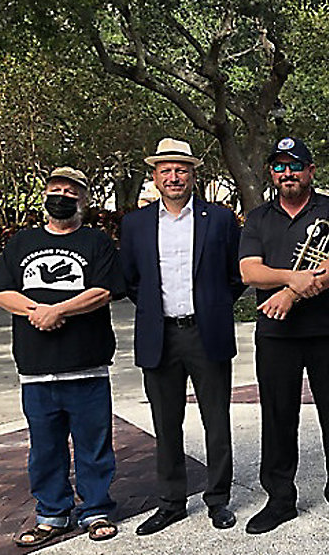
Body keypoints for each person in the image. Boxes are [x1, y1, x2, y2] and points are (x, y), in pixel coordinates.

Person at [0, 167, 123, 546]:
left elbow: (103, 290)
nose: (62, 195)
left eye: (71, 190)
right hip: (36, 369)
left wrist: (59, 310)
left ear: (85, 200)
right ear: (45, 195)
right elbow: (0, 292)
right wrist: (36, 311)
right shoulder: (21, 243)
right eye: (55, 188)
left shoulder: (96, 242)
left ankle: (96, 510)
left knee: (94, 445)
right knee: (44, 448)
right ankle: (52, 514)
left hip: (87, 365)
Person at [120, 138, 245, 534]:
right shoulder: (136, 223)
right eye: (166, 170)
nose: (174, 177)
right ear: (155, 177)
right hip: (161, 336)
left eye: (181, 169)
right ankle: (171, 501)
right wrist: (158, 312)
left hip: (205, 332)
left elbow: (235, 274)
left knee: (216, 420)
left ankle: (218, 499)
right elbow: (131, 280)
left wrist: (213, 304)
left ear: (193, 174)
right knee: (166, 422)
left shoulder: (220, 219)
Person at [239, 137, 329, 534]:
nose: (287, 173)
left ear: (311, 171)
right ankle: (279, 500)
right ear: (272, 173)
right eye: (279, 167)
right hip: (276, 335)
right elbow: (249, 271)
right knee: (277, 417)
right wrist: (291, 276)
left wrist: (290, 293)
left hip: (328, 332)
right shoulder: (258, 217)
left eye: (296, 166)